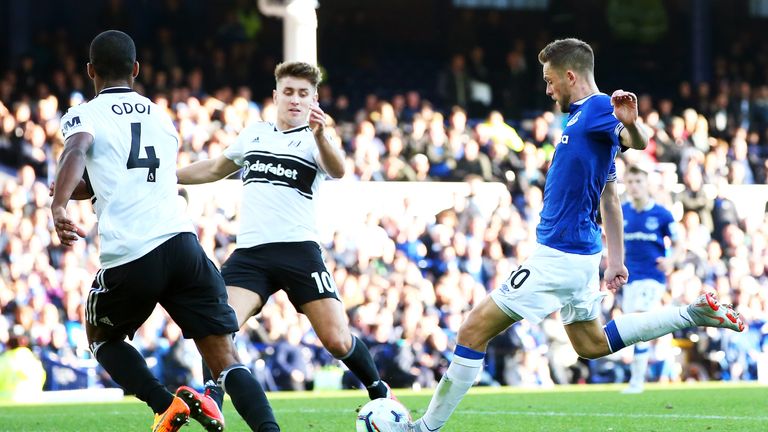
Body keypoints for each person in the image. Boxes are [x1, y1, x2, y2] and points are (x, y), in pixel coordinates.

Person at [396, 38, 745, 432]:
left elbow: (636, 141)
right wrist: (616, 260)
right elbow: (611, 198)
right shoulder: (583, 122)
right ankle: (691, 313)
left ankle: (423, 427)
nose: (547, 90)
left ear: (569, 76)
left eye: (549, 81)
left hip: (559, 255)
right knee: (591, 345)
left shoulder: (597, 109)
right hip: (580, 255)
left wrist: (630, 123)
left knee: (473, 329)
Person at [50, 30, 279, 432]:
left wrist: (59, 203)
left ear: (90, 71)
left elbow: (77, 149)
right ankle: (269, 430)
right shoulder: (160, 116)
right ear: (136, 69)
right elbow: (122, 175)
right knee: (225, 357)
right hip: (182, 245)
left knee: (103, 337)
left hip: (133, 253)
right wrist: (76, 188)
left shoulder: (84, 114)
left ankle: (164, 404)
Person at [175, 61, 395, 410]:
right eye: (289, 92)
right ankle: (212, 395)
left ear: (314, 100)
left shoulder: (316, 140)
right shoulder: (254, 134)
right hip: (251, 254)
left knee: (337, 341)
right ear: (276, 96)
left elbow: (338, 170)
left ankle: (379, 390)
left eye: (304, 94)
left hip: (298, 252)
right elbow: (216, 167)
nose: (295, 100)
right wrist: (169, 178)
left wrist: (322, 135)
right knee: (218, 322)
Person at [620, 165, 682, 393]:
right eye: (630, 182)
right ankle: (658, 364)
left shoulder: (662, 214)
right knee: (634, 328)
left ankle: (637, 381)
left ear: (647, 184)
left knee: (638, 322)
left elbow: (678, 243)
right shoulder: (621, 211)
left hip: (652, 278)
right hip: (629, 279)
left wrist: (671, 260)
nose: (634, 186)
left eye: (639, 181)